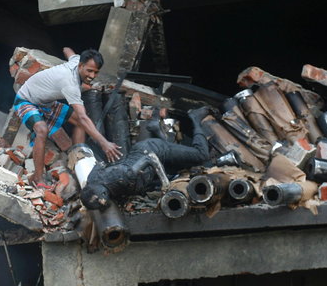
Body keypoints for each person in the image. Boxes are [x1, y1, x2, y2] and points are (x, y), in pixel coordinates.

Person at [14, 47, 122, 187]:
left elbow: (67, 51)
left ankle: (77, 159)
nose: (92, 76)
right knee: (42, 130)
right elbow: (83, 117)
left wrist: (65, 49)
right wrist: (104, 143)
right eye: (89, 71)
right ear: (81, 66)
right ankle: (38, 179)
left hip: (47, 103)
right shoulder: (70, 84)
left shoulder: (76, 60)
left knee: (78, 121)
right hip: (26, 100)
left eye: (96, 72)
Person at [80, 107, 212, 210]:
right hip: (144, 164)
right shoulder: (91, 179)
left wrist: (166, 185)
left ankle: (195, 119)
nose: (103, 202)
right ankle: (156, 129)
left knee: (201, 156)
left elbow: (150, 158)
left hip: (154, 150)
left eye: (101, 200)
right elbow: (100, 164)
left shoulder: (124, 175)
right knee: (184, 169)